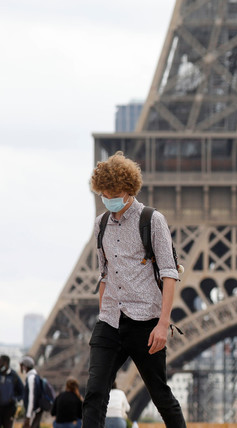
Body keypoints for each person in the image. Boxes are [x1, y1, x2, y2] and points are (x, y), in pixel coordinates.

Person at [82, 151, 185, 428]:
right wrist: (105, 310)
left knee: (160, 395)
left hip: (145, 322)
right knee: (94, 393)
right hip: (110, 321)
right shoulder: (100, 224)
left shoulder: (152, 220)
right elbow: (104, 274)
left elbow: (169, 273)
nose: (106, 197)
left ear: (127, 191)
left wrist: (163, 325)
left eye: (112, 192)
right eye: (102, 192)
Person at [0, 355, 24, 428]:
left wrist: (14, 399)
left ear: (6, 363)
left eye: (0, 363)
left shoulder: (14, 376)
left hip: (9, 409)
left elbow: (22, 392)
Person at [20, 356, 44, 428]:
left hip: (33, 411)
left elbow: (31, 398)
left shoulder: (31, 378)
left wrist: (28, 416)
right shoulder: (34, 377)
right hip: (35, 411)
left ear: (25, 366)